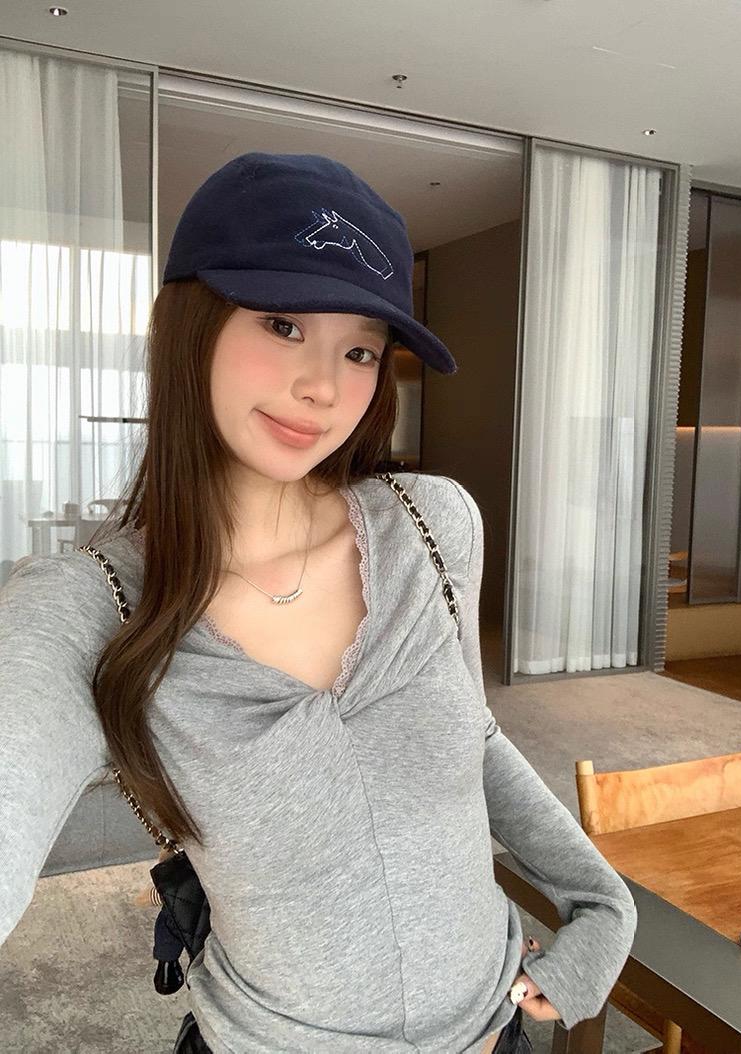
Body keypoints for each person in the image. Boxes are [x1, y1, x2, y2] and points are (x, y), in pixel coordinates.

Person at [0, 152, 637, 1054]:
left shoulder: (433, 524)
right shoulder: (93, 605)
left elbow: (473, 735)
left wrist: (602, 902)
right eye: (282, 323)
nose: (325, 386)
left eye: (360, 349)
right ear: (187, 325)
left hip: (496, 1032)